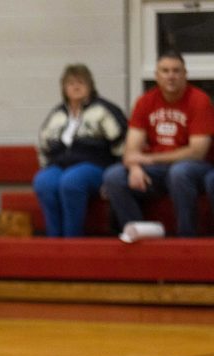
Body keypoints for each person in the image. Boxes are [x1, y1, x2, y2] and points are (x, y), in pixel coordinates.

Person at [102, 50, 214, 237]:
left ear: (185, 75)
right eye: (165, 71)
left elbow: (197, 152)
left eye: (176, 71)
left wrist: (149, 159)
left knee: (180, 172)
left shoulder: (199, 100)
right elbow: (131, 149)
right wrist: (135, 167)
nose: (171, 76)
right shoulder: (146, 101)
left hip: (195, 169)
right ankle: (141, 234)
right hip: (158, 170)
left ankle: (186, 240)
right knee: (114, 177)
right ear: (156, 75)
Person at [33, 64, 127, 237]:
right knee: (43, 181)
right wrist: (46, 167)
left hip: (96, 166)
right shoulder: (57, 114)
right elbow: (43, 145)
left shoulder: (104, 110)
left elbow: (122, 143)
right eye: (70, 83)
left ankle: (72, 241)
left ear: (90, 86)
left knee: (71, 181)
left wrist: (113, 177)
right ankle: (53, 241)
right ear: (63, 88)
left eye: (81, 82)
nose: (75, 87)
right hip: (60, 165)